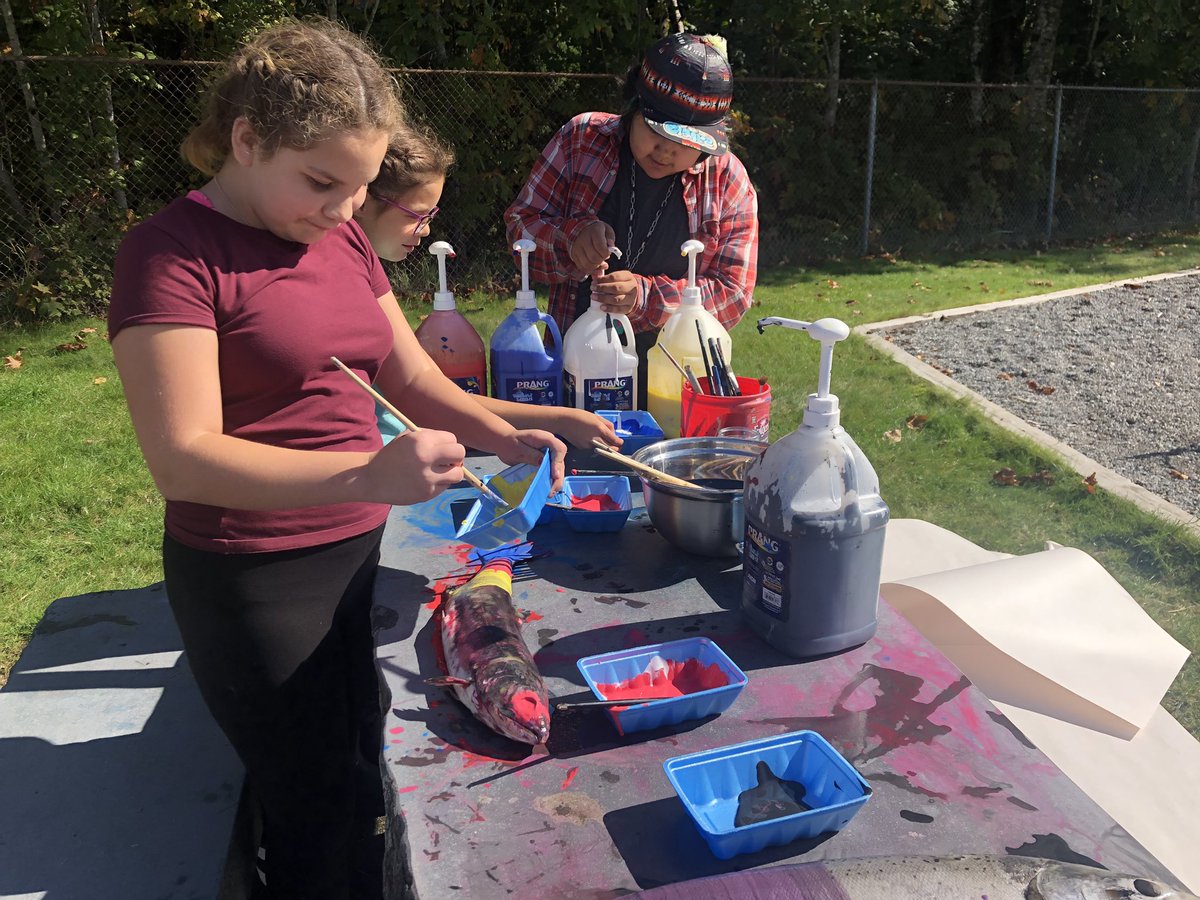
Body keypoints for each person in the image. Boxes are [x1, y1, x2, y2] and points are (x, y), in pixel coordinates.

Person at [107, 20, 564, 900]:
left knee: (372, 761)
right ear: (247, 140)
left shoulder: (342, 237)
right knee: (315, 805)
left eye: (359, 188)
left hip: (369, 549)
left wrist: (507, 430)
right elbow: (184, 459)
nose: (345, 211)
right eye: (322, 182)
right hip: (258, 576)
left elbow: (410, 373)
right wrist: (366, 475)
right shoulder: (169, 256)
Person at [504, 32, 759, 406]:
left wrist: (645, 298)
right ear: (634, 105)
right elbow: (520, 227)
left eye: (689, 143)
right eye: (657, 129)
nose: (667, 150)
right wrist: (571, 240)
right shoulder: (583, 139)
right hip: (574, 377)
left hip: (679, 391)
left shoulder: (727, 181)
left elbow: (733, 294)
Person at [354, 119, 621, 449]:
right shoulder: (349, 276)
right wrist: (521, 431)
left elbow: (426, 384)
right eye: (416, 216)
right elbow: (419, 394)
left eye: (430, 217)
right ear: (363, 199)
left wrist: (554, 418)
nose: (425, 231)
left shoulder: (365, 270)